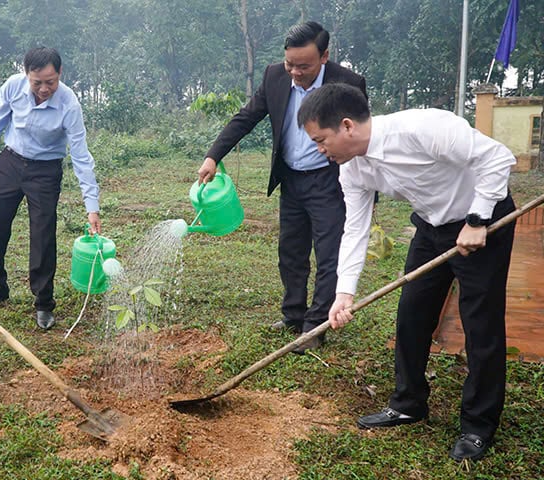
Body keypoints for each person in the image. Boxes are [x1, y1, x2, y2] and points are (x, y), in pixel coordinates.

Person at [298, 83, 516, 461]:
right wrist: (344, 293)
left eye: (321, 140)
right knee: (412, 315)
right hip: (431, 229)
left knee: (480, 325)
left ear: (347, 126)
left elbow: (497, 158)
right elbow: (355, 227)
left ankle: (478, 426)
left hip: (482, 224)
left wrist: (478, 218)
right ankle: (408, 403)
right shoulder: (352, 168)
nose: (319, 150)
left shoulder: (423, 128)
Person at [198, 21, 366, 353]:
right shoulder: (275, 75)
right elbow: (246, 117)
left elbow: (358, 135)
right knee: (290, 251)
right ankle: (293, 314)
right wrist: (213, 156)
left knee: (330, 253)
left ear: (324, 56)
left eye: (303, 66)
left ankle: (315, 327)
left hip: (330, 180)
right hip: (291, 178)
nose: (294, 72)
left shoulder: (348, 83)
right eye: (290, 63)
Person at [0, 47, 101, 330]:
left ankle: (43, 303)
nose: (44, 88)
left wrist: (91, 206)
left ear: (60, 74)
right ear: (26, 75)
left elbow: (81, 155)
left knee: (43, 234)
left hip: (45, 171)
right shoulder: (12, 87)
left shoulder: (69, 104)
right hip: (10, 163)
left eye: (51, 81)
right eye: (38, 82)